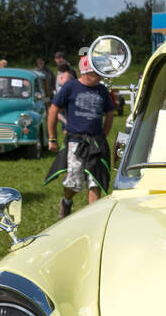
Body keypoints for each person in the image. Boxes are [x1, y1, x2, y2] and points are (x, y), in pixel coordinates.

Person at [45, 54, 115, 218]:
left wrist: (103, 135)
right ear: (86, 73)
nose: (99, 77)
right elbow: (53, 110)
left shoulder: (102, 90)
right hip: (75, 141)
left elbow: (110, 114)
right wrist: (52, 138)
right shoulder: (70, 87)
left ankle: (93, 218)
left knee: (95, 179)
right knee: (74, 182)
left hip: (95, 143)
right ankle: (66, 201)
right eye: (96, 74)